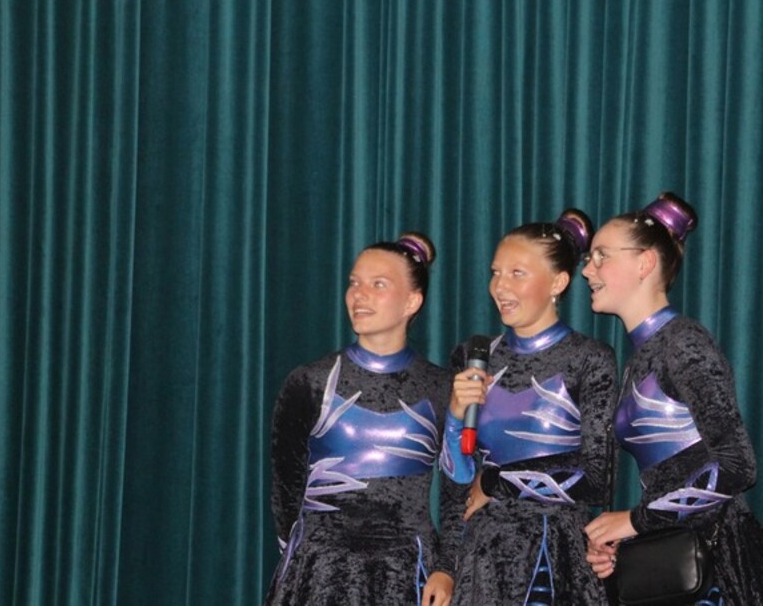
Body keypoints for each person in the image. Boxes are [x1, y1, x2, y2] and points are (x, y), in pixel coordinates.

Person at [582, 192, 763, 604]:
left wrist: (636, 521)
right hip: (676, 557)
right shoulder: (642, 355)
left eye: (601, 256)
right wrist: (625, 539)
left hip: (719, 565)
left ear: (645, 263)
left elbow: (737, 465)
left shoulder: (683, 343)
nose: (587, 270)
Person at [265, 232, 459, 606]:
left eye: (378, 284)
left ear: (412, 301)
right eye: (354, 283)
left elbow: (456, 493)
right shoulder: (309, 382)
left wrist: (447, 568)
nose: (359, 294)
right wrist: (301, 566)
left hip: (407, 575)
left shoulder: (441, 387)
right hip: (320, 574)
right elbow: (285, 492)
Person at [439, 210, 619, 605]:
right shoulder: (474, 356)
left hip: (555, 555)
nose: (500, 286)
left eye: (517, 273)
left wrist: (497, 481)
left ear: (558, 282)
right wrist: (454, 418)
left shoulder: (589, 358)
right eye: (496, 273)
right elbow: (458, 482)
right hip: (483, 559)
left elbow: (596, 476)